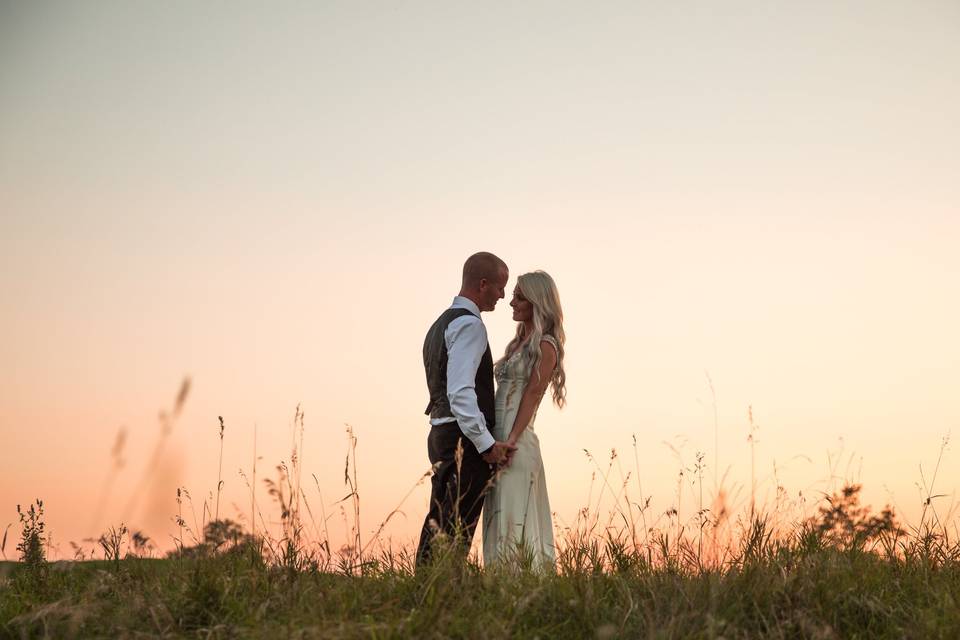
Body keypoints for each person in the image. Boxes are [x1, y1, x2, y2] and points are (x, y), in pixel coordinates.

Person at [416, 252, 517, 566]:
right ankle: (440, 593)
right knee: (457, 525)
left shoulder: (439, 324)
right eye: (500, 287)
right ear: (483, 284)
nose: (503, 295)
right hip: (462, 439)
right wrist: (485, 444)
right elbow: (461, 393)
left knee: (440, 518)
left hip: (440, 433)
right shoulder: (470, 325)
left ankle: (425, 588)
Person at [482, 270, 567, 570]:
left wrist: (511, 441)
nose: (511, 302)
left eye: (519, 296)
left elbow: (532, 394)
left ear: (536, 301)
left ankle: (522, 582)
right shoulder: (516, 344)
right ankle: (498, 582)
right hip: (496, 439)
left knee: (515, 512)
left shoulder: (546, 345)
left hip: (517, 442)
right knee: (497, 511)